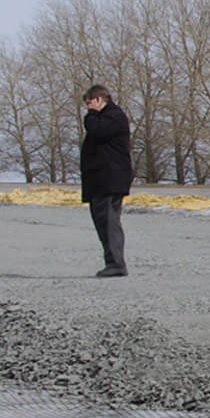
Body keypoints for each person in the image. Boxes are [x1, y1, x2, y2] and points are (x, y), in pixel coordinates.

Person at [80, 85, 133, 276]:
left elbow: (98, 132)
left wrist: (91, 117)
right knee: (106, 221)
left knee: (108, 222)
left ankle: (116, 263)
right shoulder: (108, 117)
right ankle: (114, 262)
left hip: (108, 180)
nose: (88, 108)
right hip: (105, 180)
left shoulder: (112, 117)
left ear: (100, 99)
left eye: (90, 103)